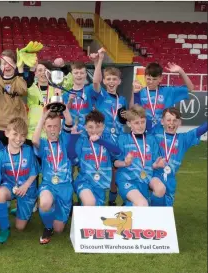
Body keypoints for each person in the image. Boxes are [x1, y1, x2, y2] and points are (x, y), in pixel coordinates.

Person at [0, 117, 39, 243]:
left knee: (20, 227)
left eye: (22, 135)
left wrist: (26, 185)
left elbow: (34, 172)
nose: (18, 138)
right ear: (7, 133)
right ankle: (5, 229)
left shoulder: (28, 151)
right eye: (15, 134)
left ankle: (23, 209)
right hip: (9, 186)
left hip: (27, 188)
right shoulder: (0, 156)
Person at [32, 105, 73, 244]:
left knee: (59, 229)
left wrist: (62, 105)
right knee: (44, 203)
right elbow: (34, 141)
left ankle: (63, 208)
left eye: (55, 126)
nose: (53, 129)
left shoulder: (65, 140)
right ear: (44, 127)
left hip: (65, 187)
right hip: (48, 185)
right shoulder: (43, 144)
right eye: (49, 126)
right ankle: (47, 228)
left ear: (60, 127)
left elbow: (69, 121)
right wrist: (43, 117)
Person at [93, 50, 128, 206]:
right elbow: (95, 82)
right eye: (108, 79)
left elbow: (122, 119)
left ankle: (112, 201)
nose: (112, 82)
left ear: (119, 81)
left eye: (115, 79)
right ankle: (92, 199)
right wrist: (99, 60)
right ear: (105, 81)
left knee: (115, 172)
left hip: (118, 141)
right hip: (103, 140)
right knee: (99, 169)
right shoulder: (101, 95)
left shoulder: (122, 99)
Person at [113, 105, 166, 206]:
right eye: (136, 123)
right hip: (127, 179)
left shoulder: (151, 139)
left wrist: (156, 165)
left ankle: (154, 214)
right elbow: (115, 162)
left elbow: (154, 163)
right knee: (142, 203)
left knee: (160, 188)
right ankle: (134, 207)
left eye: (143, 122)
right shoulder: (123, 139)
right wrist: (125, 163)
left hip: (146, 177)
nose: (140, 126)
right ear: (129, 123)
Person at [153, 107, 207, 206]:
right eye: (168, 120)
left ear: (179, 123)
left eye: (175, 120)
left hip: (170, 181)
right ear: (162, 122)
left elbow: (201, 129)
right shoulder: (155, 135)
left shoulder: (184, 139)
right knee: (153, 207)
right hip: (154, 176)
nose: (171, 123)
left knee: (166, 212)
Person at [70, 110, 121, 207]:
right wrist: (73, 138)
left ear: (104, 126)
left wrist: (100, 141)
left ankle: (78, 219)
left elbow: (117, 152)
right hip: (84, 181)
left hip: (101, 185)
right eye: (90, 127)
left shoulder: (108, 139)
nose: (94, 130)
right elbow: (72, 158)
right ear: (85, 127)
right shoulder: (82, 140)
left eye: (98, 126)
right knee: (89, 202)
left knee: (93, 213)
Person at [132, 62, 194, 133]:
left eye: (154, 79)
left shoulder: (168, 91)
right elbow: (133, 109)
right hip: (144, 132)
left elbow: (190, 88)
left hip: (163, 133)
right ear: (144, 77)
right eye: (148, 79)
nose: (151, 82)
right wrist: (134, 92)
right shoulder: (140, 91)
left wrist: (181, 71)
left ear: (160, 78)